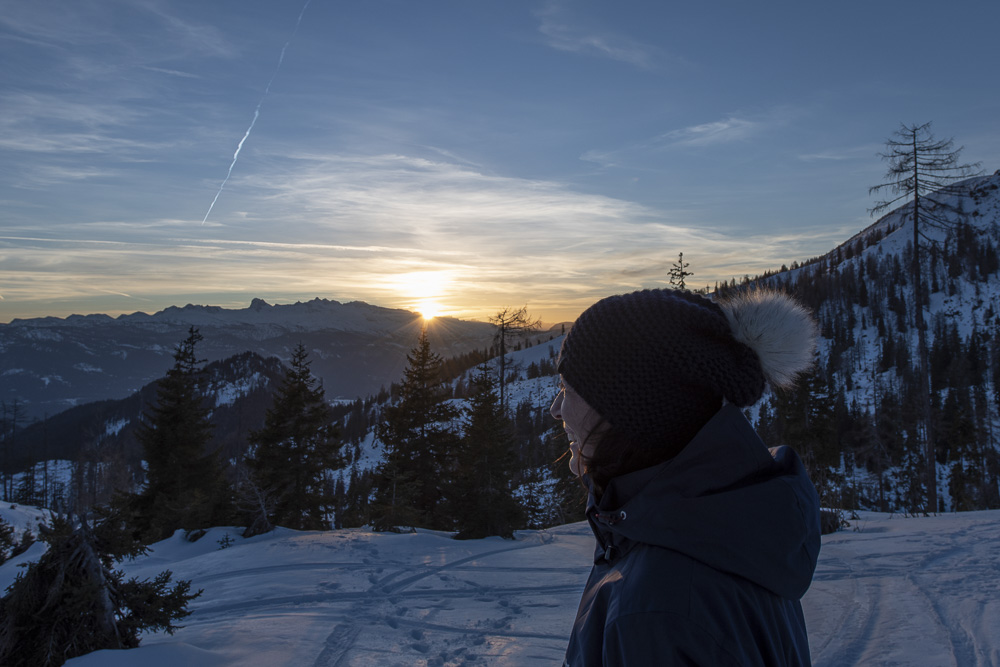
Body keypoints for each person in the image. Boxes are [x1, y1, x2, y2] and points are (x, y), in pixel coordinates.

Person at [551, 288, 821, 666]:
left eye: (568, 389)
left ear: (634, 414)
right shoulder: (727, 533)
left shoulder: (659, 607)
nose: (555, 408)